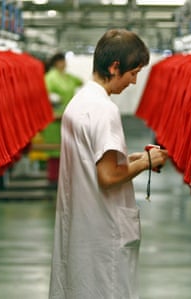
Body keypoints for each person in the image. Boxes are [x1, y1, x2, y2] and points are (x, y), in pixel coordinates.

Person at [48, 29, 168, 299]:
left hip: (83, 229)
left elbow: (94, 161)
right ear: (115, 67)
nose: (134, 82)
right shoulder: (105, 110)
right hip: (102, 233)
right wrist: (146, 162)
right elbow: (108, 176)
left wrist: (131, 159)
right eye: (133, 73)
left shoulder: (79, 102)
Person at [42, 52, 83, 184]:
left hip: (67, 116)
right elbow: (45, 94)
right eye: (62, 61)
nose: (64, 64)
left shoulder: (67, 77)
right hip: (54, 119)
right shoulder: (50, 77)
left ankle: (65, 177)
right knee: (55, 151)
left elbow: (80, 81)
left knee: (67, 148)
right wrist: (54, 98)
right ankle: (54, 179)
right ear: (56, 63)